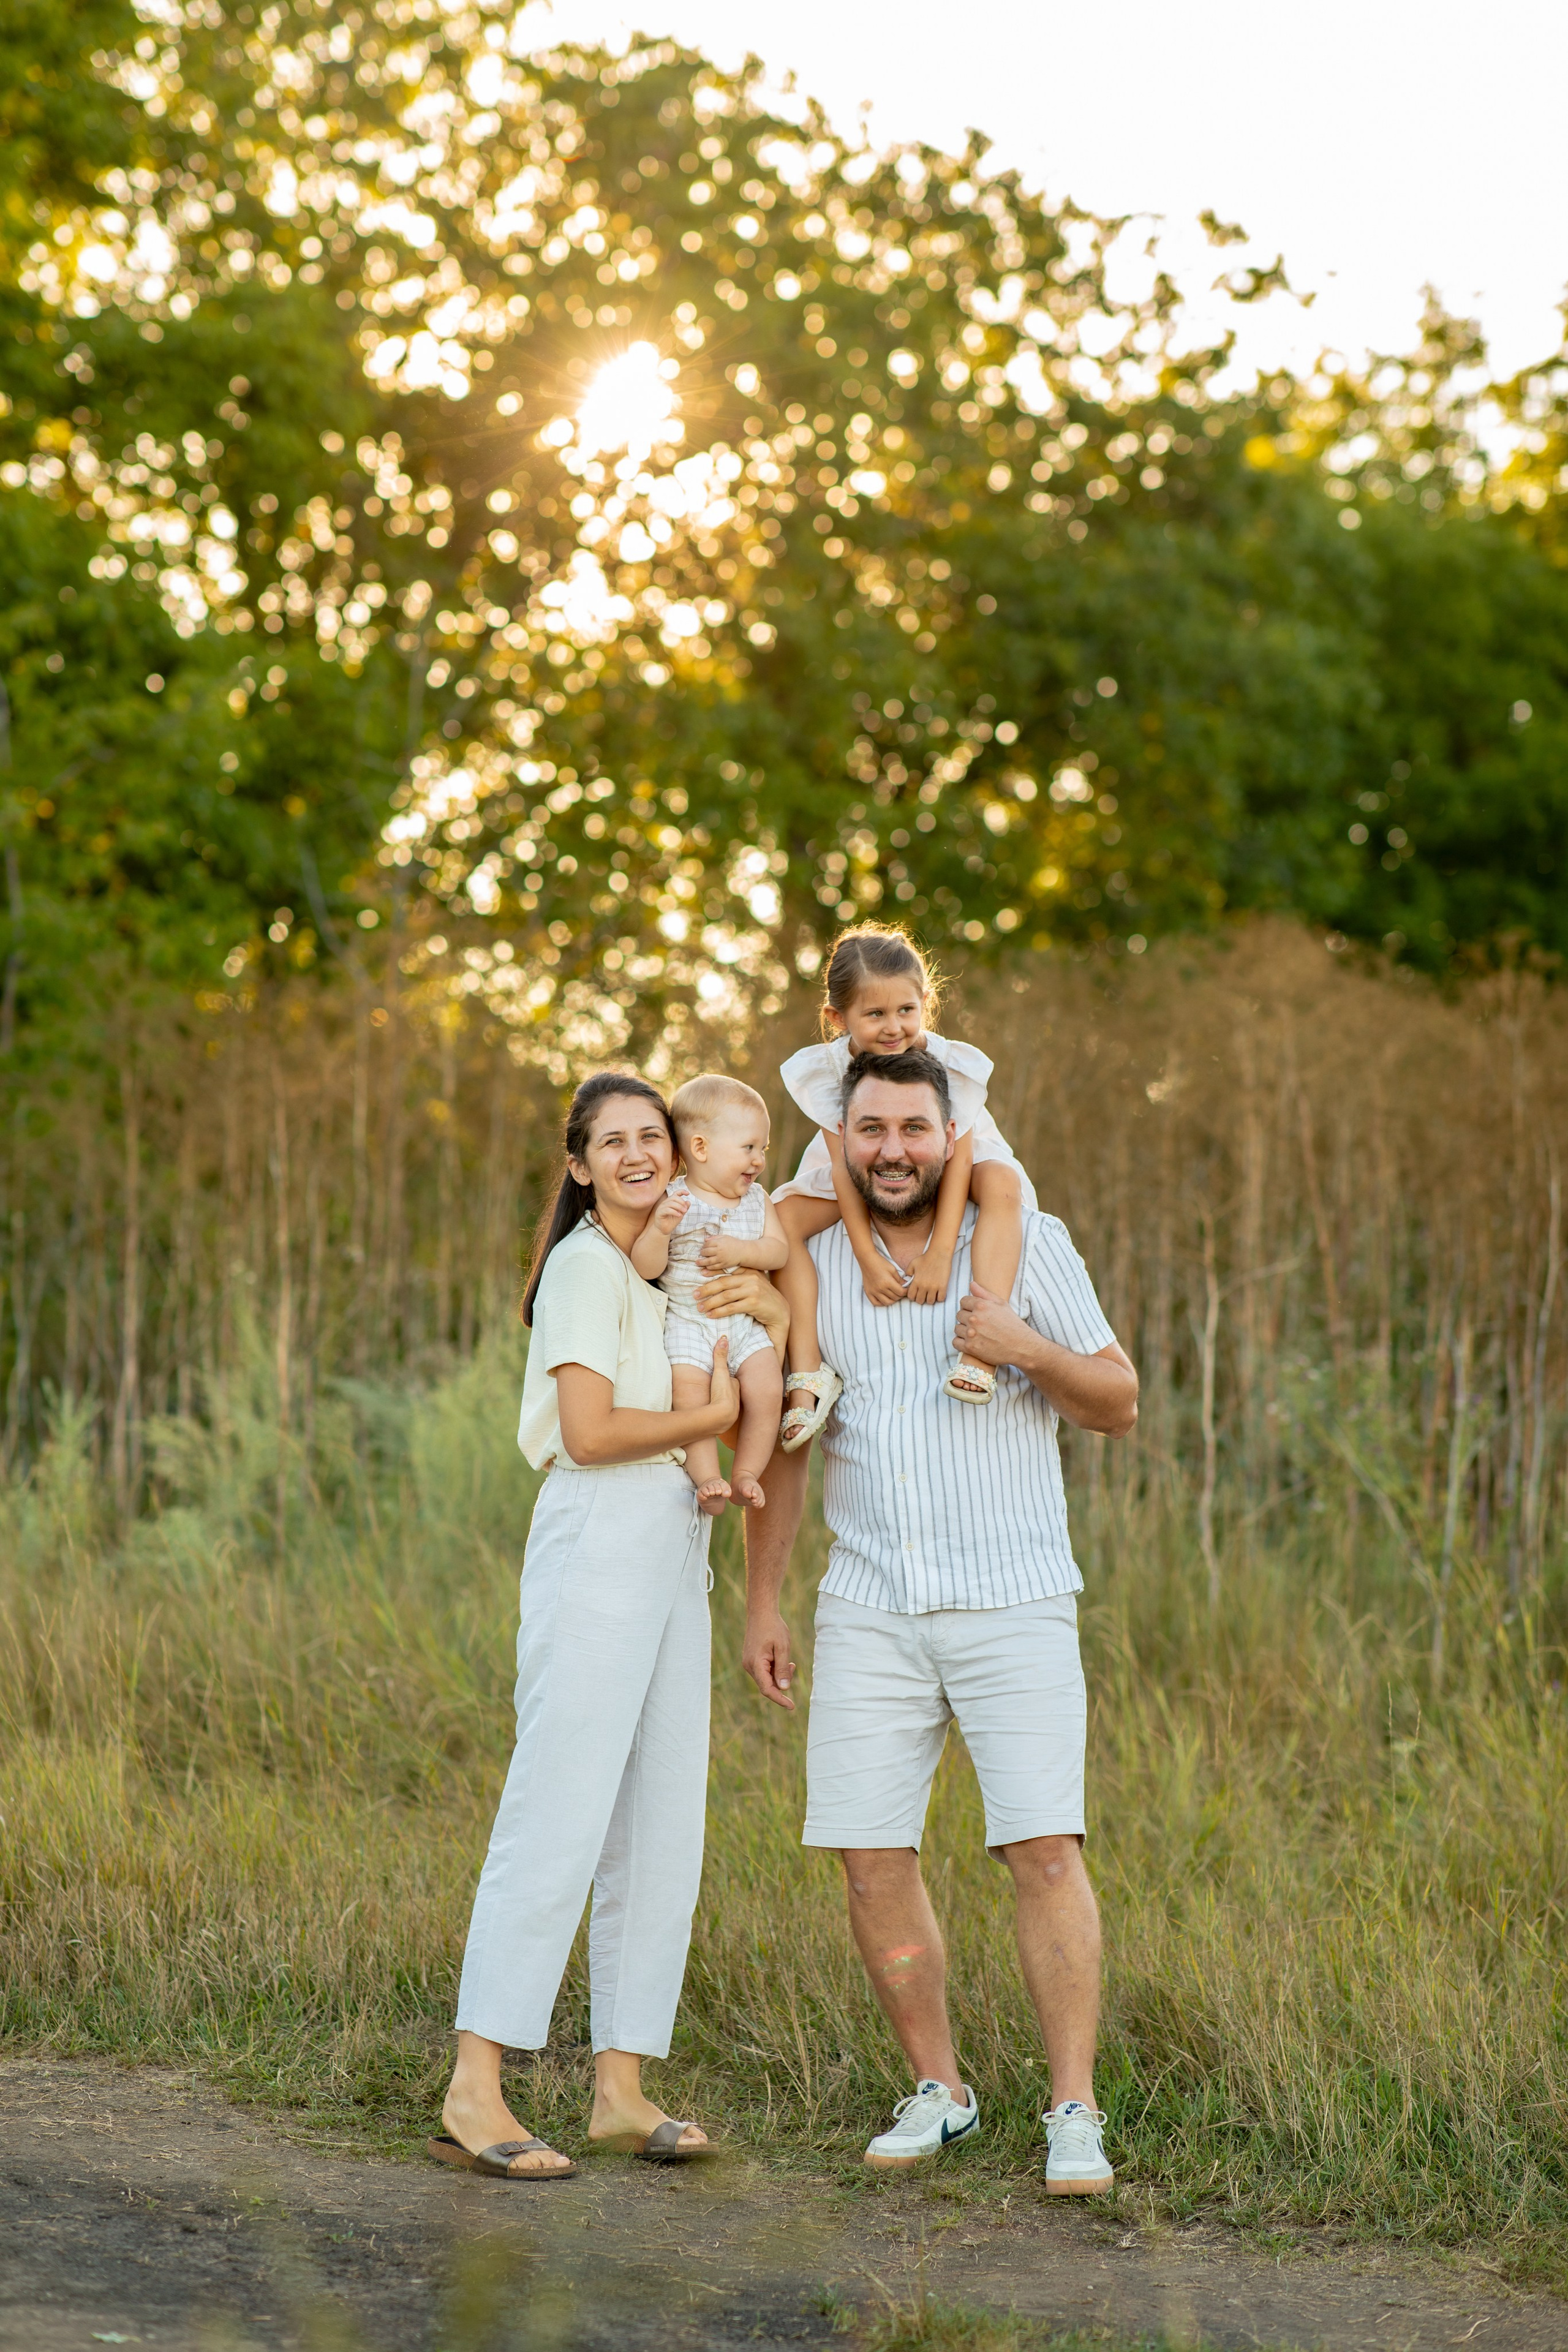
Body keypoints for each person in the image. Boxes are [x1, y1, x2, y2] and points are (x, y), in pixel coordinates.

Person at [743, 1048, 1138, 2190]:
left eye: (914, 1128)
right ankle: (941, 2090)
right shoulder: (808, 1260)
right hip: (867, 1605)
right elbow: (783, 1450)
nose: (894, 1151)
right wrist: (764, 1601)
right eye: (871, 1130)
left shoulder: (1025, 1244)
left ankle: (1074, 2108)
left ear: (952, 1129)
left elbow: (1117, 1400)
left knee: (1045, 1851)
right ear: (840, 1139)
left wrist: (1026, 1350)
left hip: (1014, 1596)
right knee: (869, 1858)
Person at [433, 1072, 787, 2182]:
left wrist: (771, 1326)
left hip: (678, 1542)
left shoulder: (684, 1266)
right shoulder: (587, 1267)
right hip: (598, 1538)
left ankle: (621, 2088)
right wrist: (718, 1417)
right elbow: (587, 1433)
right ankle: (475, 2086)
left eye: (653, 1136)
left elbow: (773, 1319)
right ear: (580, 1165)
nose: (638, 1154)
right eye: (613, 1142)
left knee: (663, 1813)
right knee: (562, 1804)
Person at [772, 925, 1033, 1447]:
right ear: (837, 1019)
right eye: (875, 1015)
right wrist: (867, 1257)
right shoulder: (826, 1072)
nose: (894, 1028)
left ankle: (980, 1352)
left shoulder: (946, 1062)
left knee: (1002, 1183)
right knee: (780, 1220)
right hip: (867, 1164)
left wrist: (940, 1253)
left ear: (925, 1004)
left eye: (906, 1011)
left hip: (954, 1158)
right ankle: (807, 1372)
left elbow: (957, 1157)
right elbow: (844, 1165)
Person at [631, 1073, 790, 1515]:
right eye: (749, 1148)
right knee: (689, 1394)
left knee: (767, 1387)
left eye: (763, 1149)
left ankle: (746, 1473)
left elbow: (778, 1252)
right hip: (689, 1322)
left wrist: (743, 1250)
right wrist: (660, 1231)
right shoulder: (671, 1200)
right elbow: (647, 1267)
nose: (758, 1160)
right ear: (701, 1149)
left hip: (743, 1323)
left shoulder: (758, 1200)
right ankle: (708, 1479)